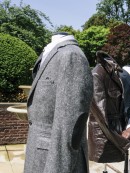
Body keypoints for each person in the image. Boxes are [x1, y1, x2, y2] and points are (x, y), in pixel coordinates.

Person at [24, 32, 93, 173]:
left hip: (55, 161)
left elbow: (69, 126)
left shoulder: (72, 56)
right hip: (40, 156)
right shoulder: (51, 53)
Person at [88, 51, 130, 163]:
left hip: (115, 131)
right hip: (103, 136)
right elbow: (100, 115)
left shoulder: (112, 73)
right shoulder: (97, 74)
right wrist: (121, 141)